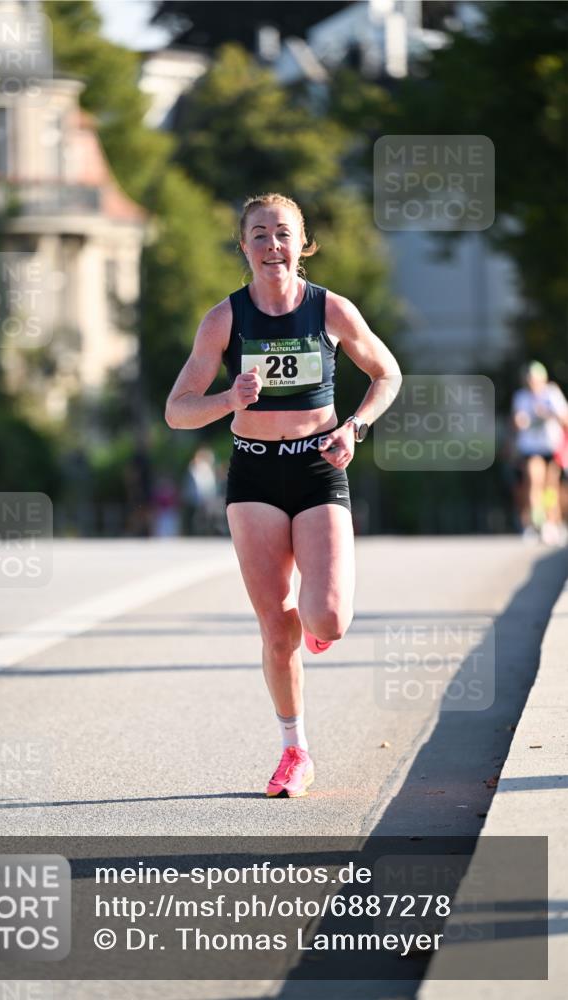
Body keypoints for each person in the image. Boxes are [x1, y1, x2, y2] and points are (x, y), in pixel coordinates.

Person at [165, 193, 402, 797]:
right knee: (276, 628)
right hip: (254, 476)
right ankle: (294, 749)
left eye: (284, 234)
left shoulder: (331, 310)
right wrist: (227, 399)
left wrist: (356, 428)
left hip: (319, 467)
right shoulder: (224, 319)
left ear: (304, 243)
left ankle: (318, 621)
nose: (273, 246)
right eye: (260, 235)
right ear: (243, 248)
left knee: (327, 618)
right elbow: (177, 411)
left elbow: (386, 373)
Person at [511, 361, 568, 545]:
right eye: (529, 380)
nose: (532, 383)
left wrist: (549, 413)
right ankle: (536, 522)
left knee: (550, 487)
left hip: (551, 447)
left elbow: (564, 418)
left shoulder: (551, 393)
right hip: (530, 448)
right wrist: (519, 421)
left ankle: (552, 523)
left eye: (535, 380)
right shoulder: (521, 397)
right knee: (534, 481)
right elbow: (516, 421)